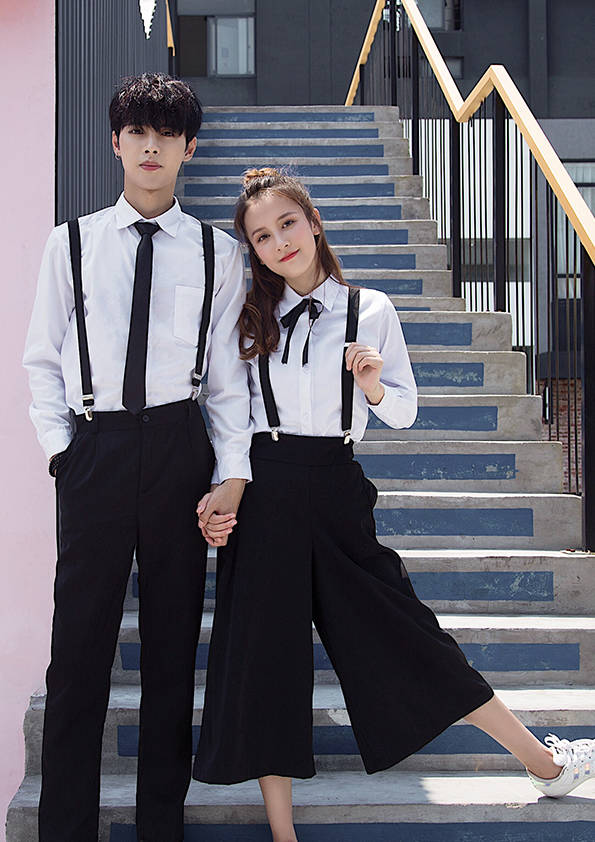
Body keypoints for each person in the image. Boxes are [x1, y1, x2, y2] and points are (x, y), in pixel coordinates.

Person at [193, 167, 595, 842]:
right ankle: (283, 835)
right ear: (253, 250)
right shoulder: (247, 315)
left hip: (335, 487)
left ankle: (544, 763)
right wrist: (228, 481)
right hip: (264, 489)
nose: (279, 242)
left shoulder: (370, 309)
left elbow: (404, 412)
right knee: (264, 658)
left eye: (287, 224)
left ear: (313, 222)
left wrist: (373, 385)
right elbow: (229, 410)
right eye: (261, 236)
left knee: (408, 636)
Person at [23, 73, 250, 842]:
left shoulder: (219, 255)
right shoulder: (72, 243)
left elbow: (227, 382)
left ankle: (161, 828)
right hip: (96, 451)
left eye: (166, 134)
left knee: (170, 653)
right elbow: (41, 358)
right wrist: (63, 453)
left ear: (189, 149)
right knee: (77, 655)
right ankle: (65, 830)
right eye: (137, 132)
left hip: (180, 450)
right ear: (116, 143)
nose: (151, 146)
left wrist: (231, 471)